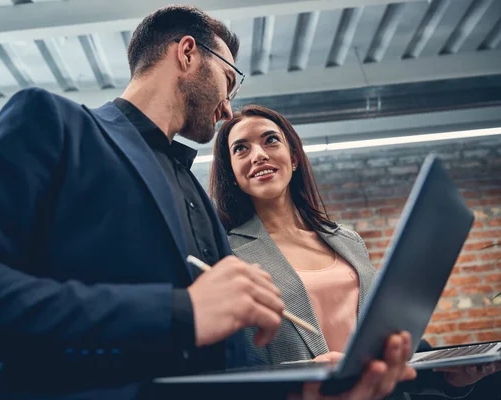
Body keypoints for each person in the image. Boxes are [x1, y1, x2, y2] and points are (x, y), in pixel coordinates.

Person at [0, 6, 414, 400]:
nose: (228, 104)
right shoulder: (55, 125)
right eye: (229, 80)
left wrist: (298, 387)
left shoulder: (198, 195)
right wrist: (177, 311)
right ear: (187, 54)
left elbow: (221, 363)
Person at [209, 104, 501, 399]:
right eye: (241, 149)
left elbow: (381, 340)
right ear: (233, 173)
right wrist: (296, 375)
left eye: (270, 140)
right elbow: (236, 364)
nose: (258, 155)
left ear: (294, 158)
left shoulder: (349, 241)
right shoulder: (229, 254)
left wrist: (448, 377)